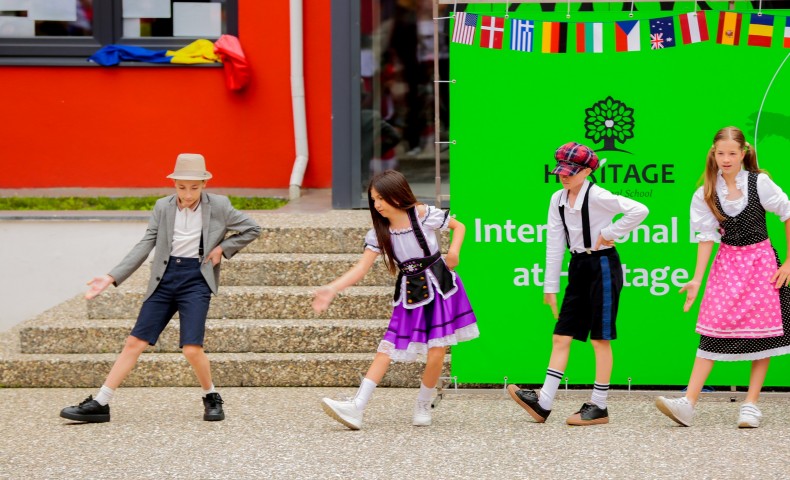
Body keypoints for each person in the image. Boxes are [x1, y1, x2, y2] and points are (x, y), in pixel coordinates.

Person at [60, 153, 261, 423]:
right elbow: (145, 244)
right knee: (134, 342)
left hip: (196, 279)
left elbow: (252, 228)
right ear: (173, 183)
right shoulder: (162, 207)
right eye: (181, 187)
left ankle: (211, 395)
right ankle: (101, 402)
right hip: (165, 280)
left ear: (204, 184)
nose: (187, 194)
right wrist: (111, 276)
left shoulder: (220, 206)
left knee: (191, 348)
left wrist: (223, 249)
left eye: (194, 187)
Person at [313, 169, 479, 429]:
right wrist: (332, 288)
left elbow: (459, 226)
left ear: (397, 196)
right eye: (374, 199)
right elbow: (361, 268)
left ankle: (423, 404)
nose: (377, 205)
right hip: (409, 294)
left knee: (437, 352)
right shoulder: (380, 232)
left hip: (440, 287)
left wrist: (454, 252)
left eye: (381, 198)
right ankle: (357, 407)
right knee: (387, 347)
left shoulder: (422, 214)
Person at [655, 126, 790, 428]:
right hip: (727, 264)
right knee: (712, 328)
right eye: (720, 153)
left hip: (760, 262)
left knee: (764, 330)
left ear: (743, 154)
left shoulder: (760, 183)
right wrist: (696, 279)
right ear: (713, 155)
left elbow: (787, 213)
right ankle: (688, 402)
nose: (726, 159)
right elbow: (706, 238)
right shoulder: (706, 191)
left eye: (732, 153)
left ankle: (751, 404)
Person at [507, 142, 649, 426]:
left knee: (600, 338)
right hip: (578, 267)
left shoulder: (598, 195)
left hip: (603, 265)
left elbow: (640, 210)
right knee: (561, 335)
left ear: (586, 171)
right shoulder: (557, 200)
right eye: (561, 170)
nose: (564, 176)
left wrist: (610, 231)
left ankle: (599, 405)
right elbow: (554, 243)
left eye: (571, 171)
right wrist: (550, 286)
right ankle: (544, 403)